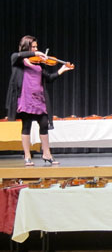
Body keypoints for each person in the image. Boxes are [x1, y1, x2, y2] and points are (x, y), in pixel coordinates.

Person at [5, 35, 74, 166]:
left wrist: (62, 69)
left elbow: (49, 78)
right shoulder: (19, 61)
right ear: (27, 47)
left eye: (37, 47)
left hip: (39, 99)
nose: (37, 49)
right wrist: (35, 53)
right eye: (34, 47)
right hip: (25, 99)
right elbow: (15, 55)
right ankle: (27, 156)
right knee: (26, 126)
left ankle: (47, 154)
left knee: (44, 124)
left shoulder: (39, 63)